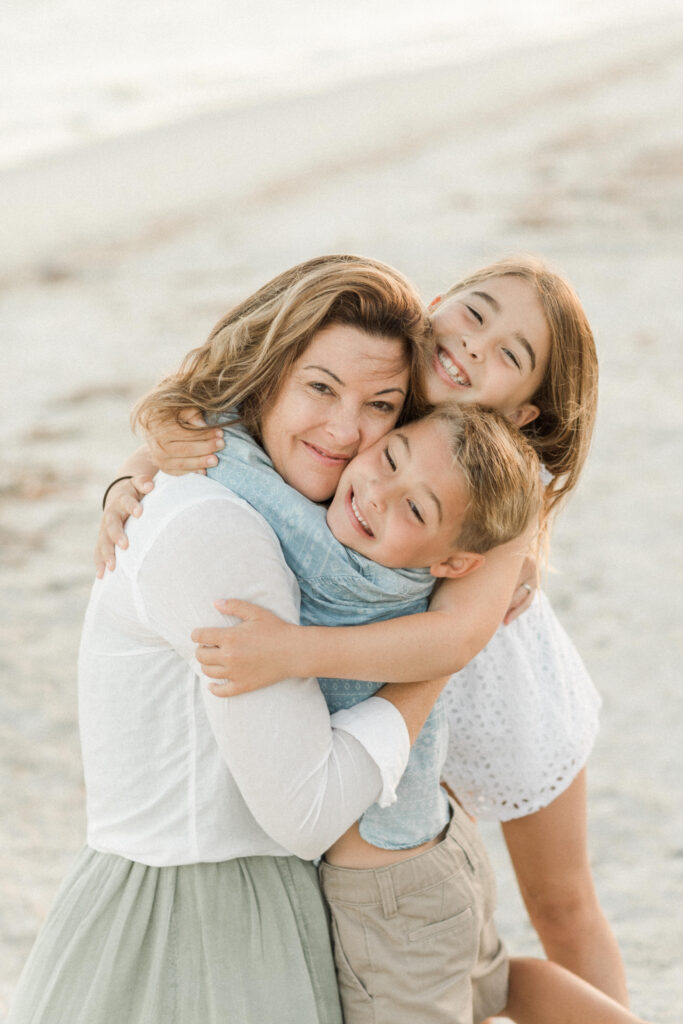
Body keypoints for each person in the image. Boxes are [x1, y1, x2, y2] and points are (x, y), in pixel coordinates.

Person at [101, 257, 631, 1013]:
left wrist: (296, 651)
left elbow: (451, 640)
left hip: (490, 683)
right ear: (438, 303)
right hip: (398, 699)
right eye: (475, 316)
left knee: (560, 904)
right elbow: (204, 432)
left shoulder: (500, 483)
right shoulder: (375, 392)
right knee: (443, 910)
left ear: (522, 414)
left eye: (511, 355)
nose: (476, 348)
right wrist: (127, 480)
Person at [8, 255, 470, 1024]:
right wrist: (437, 661)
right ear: (266, 373)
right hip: (194, 929)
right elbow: (308, 809)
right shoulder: (220, 531)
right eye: (320, 388)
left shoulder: (280, 511)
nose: (345, 429)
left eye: (380, 405)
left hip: (234, 903)